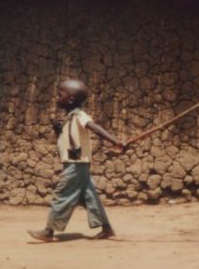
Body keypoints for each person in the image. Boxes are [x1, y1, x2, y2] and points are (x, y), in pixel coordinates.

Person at [27, 79, 126, 242]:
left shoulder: (80, 116)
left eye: (60, 95)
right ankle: (106, 228)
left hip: (76, 164)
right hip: (77, 163)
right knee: (89, 196)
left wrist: (115, 141)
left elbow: (95, 127)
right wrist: (57, 128)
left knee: (62, 194)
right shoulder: (69, 118)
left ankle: (49, 231)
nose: (57, 98)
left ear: (71, 99)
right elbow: (65, 140)